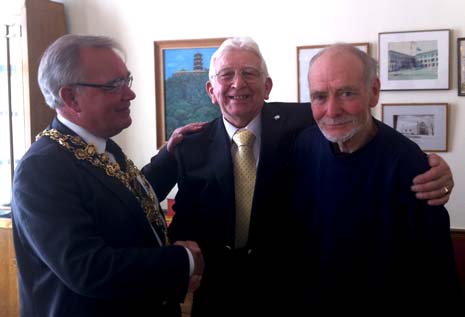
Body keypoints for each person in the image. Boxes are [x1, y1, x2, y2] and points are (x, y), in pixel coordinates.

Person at [142, 37, 456, 316]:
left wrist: (429, 166)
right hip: (218, 293)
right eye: (227, 75)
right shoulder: (189, 145)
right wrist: (167, 153)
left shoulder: (302, 128)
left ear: (267, 87)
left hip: (288, 294)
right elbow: (142, 194)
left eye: (250, 73)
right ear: (211, 89)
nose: (238, 84)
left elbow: (359, 126)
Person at [11, 34, 204, 317]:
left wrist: (169, 158)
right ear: (70, 97)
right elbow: (87, 268)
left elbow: (122, 202)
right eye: (114, 85)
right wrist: (183, 260)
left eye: (127, 80)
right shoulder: (42, 168)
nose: (130, 94)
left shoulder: (99, 146)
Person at [292, 43, 462, 313]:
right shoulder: (302, 145)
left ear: (373, 92)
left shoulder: (411, 165)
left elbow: (437, 272)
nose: (332, 110)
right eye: (319, 96)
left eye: (347, 93)